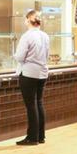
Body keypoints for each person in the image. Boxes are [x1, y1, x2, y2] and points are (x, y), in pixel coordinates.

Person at [14, 10, 50, 146]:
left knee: (31, 105)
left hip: (29, 73)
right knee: (39, 103)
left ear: (28, 20)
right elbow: (47, 54)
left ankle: (32, 137)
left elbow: (20, 56)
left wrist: (15, 55)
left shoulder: (27, 36)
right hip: (42, 73)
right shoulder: (45, 36)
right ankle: (41, 136)